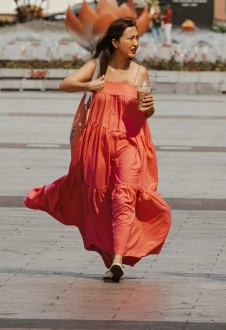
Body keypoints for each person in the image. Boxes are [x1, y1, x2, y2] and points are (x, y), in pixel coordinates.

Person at [24, 17, 171, 282]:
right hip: (97, 145)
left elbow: (146, 111)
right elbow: (65, 84)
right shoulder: (97, 67)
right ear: (115, 42)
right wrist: (89, 85)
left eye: (138, 38)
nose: (136, 43)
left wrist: (148, 106)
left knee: (124, 196)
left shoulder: (141, 73)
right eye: (131, 38)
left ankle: (118, 261)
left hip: (129, 142)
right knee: (102, 200)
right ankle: (109, 249)